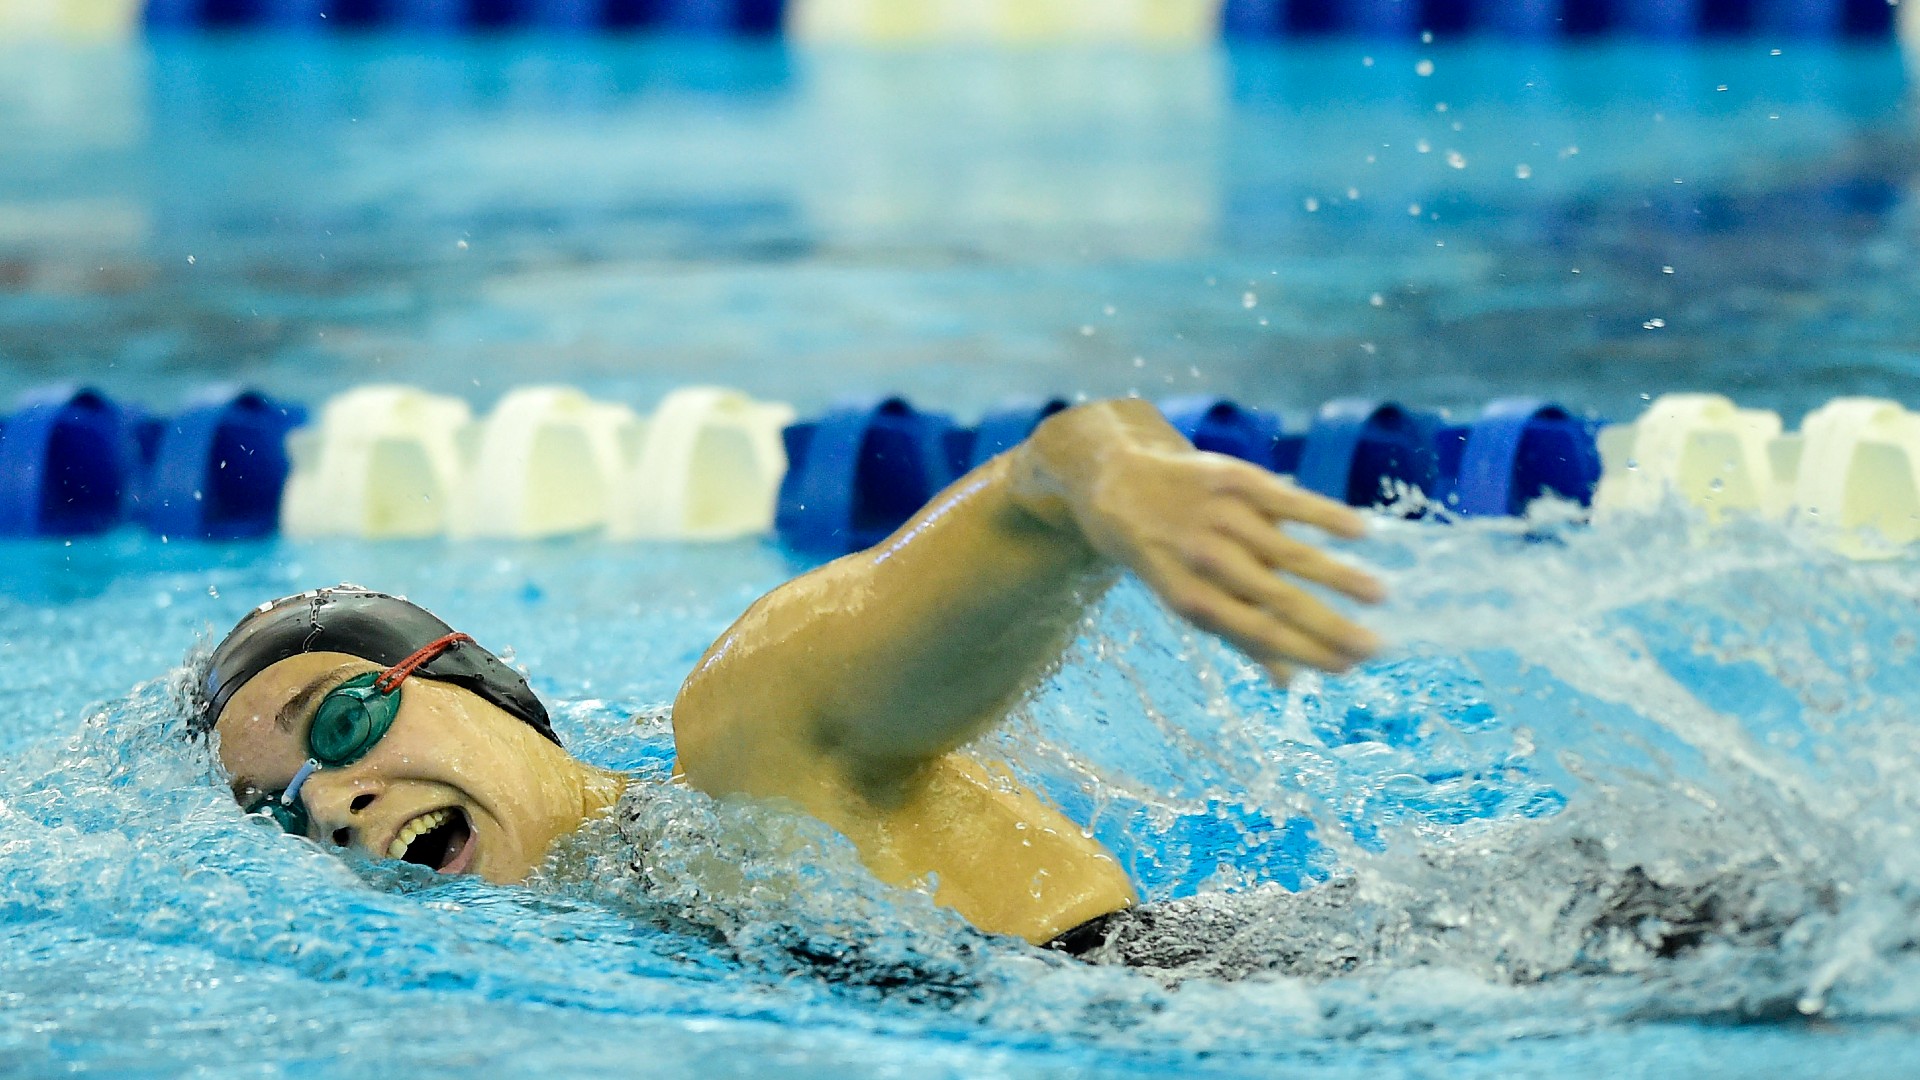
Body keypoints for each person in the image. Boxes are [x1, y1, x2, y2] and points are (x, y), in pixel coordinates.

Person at [195, 398, 1385, 954]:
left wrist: (1104, 484)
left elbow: (1051, 475)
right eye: (283, 812)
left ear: (483, 685)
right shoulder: (611, 916)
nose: (333, 807)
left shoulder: (750, 747)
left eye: (343, 722)